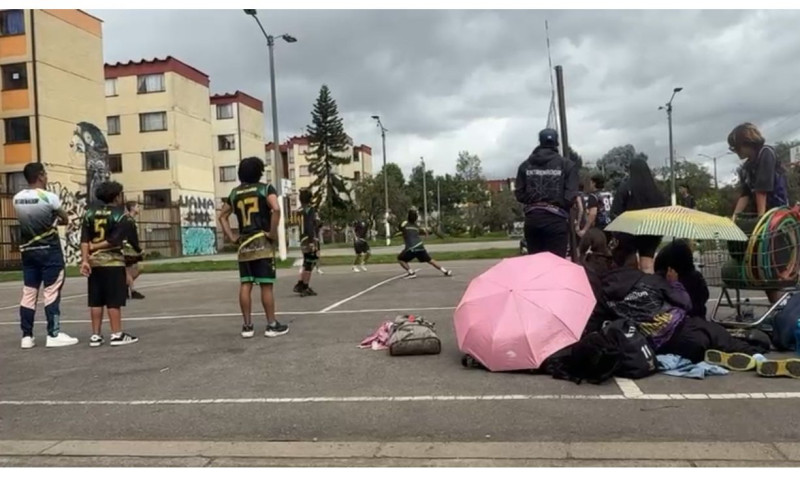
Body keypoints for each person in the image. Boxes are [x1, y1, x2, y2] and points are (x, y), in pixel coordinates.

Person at [218, 157, 288, 339]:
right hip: (262, 244)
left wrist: (232, 236)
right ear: (259, 172)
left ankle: (247, 326)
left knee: (246, 284)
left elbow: (222, 217)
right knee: (266, 285)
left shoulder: (235, 193)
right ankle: (272, 324)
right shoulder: (265, 189)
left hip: (244, 245)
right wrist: (272, 233)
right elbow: (276, 208)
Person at [13, 162, 79, 349]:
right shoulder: (49, 196)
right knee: (51, 293)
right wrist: (57, 220)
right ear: (41, 175)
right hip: (49, 251)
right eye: (46, 174)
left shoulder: (17, 198)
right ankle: (53, 334)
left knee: (29, 293)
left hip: (28, 252)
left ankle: (27, 336)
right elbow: (64, 218)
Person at [729, 123, 788, 304]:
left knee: (774, 261)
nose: (735, 151)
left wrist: (761, 219)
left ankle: (784, 303)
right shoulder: (747, 166)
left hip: (776, 214)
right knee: (761, 265)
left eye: (736, 146)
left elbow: (762, 189)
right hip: (761, 213)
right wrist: (735, 216)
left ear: (746, 143)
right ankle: (776, 305)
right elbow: (746, 193)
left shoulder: (766, 154)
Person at [80, 180, 138, 347]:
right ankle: (116, 334)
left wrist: (85, 259)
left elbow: (85, 239)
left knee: (96, 300)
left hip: (94, 263)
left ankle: (96, 335)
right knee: (114, 300)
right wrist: (97, 246)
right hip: (113, 262)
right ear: (117, 196)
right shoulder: (121, 215)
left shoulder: (89, 213)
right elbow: (115, 240)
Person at [514, 128, 579, 258]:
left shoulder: (525, 166)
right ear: (557, 143)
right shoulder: (567, 165)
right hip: (556, 220)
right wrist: (558, 202)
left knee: (537, 264)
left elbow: (519, 194)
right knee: (556, 265)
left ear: (540, 142)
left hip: (532, 220)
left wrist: (534, 199)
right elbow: (570, 195)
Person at [610, 159, 666, 274]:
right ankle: (649, 287)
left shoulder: (625, 188)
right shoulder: (656, 190)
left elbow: (615, 211)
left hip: (629, 230)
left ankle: (634, 286)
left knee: (629, 262)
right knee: (647, 264)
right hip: (651, 229)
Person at [654, 239, 709, 319]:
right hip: (698, 319)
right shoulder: (695, 277)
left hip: (673, 322)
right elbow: (704, 296)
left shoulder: (665, 278)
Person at [396, 209, 452, 279]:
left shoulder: (404, 224)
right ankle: (445, 271)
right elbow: (423, 232)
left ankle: (411, 273)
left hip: (411, 247)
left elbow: (401, 228)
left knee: (400, 259)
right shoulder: (416, 227)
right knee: (430, 260)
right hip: (420, 246)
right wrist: (426, 232)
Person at [294, 189, 319, 297]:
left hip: (302, 237)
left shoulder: (299, 210)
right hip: (308, 238)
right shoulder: (310, 210)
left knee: (306, 261)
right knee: (310, 262)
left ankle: (300, 283)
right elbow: (309, 225)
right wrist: (312, 240)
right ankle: (305, 286)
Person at [122, 201, 145, 300]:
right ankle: (132, 290)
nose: (139, 208)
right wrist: (139, 249)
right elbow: (131, 238)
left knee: (138, 269)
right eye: (137, 206)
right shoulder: (128, 221)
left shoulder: (131, 220)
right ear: (132, 208)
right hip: (128, 249)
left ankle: (125, 286)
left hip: (131, 248)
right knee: (128, 270)